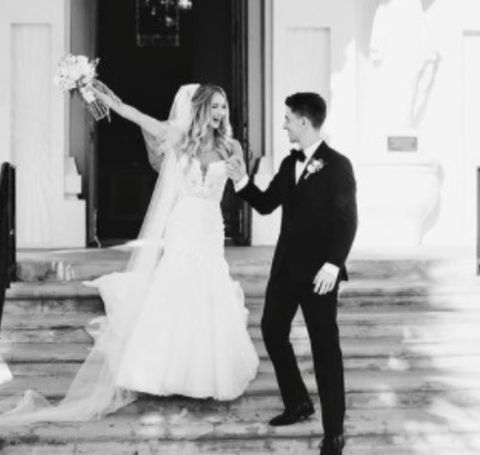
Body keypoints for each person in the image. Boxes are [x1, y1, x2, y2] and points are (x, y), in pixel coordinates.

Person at [0, 83, 258, 424]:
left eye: (223, 107)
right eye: (214, 107)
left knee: (210, 284)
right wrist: (108, 100)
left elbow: (243, 186)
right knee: (177, 283)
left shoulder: (231, 146)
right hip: (183, 225)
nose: (220, 113)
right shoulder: (178, 138)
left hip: (210, 225)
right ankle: (165, 369)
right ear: (199, 109)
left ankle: (206, 370)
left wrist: (242, 178)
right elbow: (136, 116)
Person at [227, 92, 358, 455]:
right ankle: (298, 401)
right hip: (285, 269)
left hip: (319, 275)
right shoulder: (289, 164)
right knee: (272, 330)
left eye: (287, 119)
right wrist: (241, 181)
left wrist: (333, 264)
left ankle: (334, 433)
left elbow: (348, 220)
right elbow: (266, 204)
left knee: (325, 350)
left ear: (303, 121)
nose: (283, 125)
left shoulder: (338, 165)